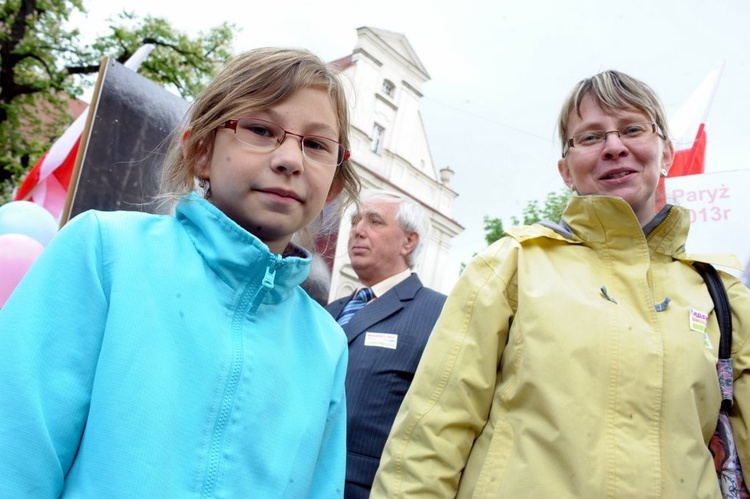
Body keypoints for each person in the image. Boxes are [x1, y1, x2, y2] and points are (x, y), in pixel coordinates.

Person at [0, 47, 361, 497]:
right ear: (201, 151)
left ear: (334, 186)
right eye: (260, 129)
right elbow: (14, 454)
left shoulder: (325, 344)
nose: (291, 159)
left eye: (316, 145)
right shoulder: (104, 253)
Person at [371, 70, 750, 497]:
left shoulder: (723, 294)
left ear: (666, 154)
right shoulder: (511, 265)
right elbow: (431, 432)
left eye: (632, 129)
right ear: (565, 170)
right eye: (589, 137)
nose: (613, 146)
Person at [326, 190, 446, 498]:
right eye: (355, 220)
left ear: (409, 242)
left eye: (374, 221)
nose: (358, 230)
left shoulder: (439, 314)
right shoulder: (327, 313)